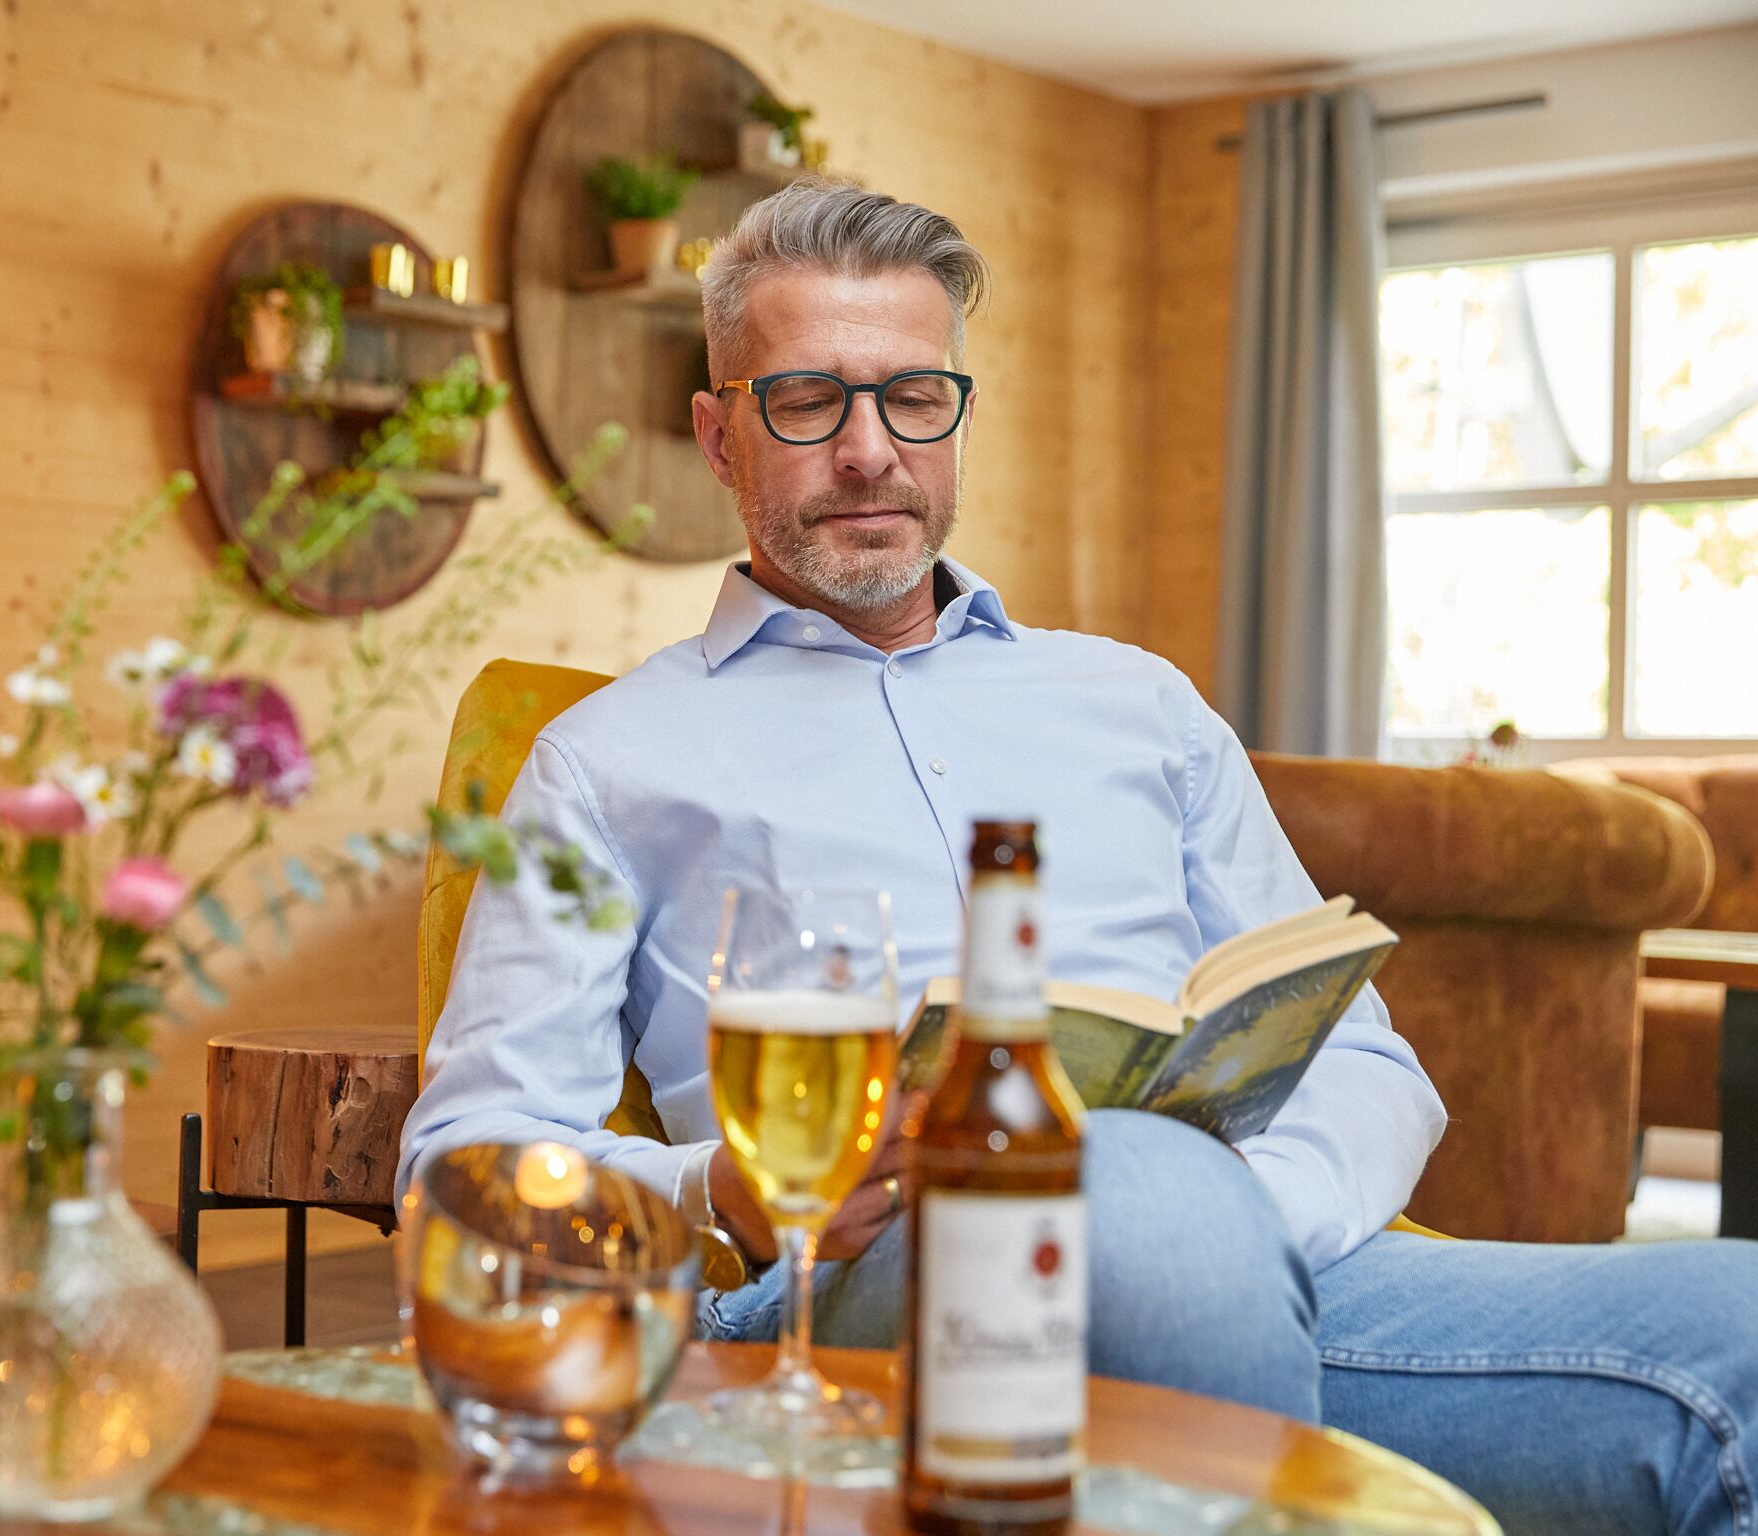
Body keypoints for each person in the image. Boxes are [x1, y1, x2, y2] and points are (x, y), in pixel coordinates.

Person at [400, 178, 1757, 1533]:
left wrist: (1237, 1229)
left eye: (914, 396)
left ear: (958, 416)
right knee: (1107, 1178)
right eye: (810, 400)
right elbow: (464, 1166)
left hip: (1269, 1267)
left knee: (1741, 1330)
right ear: (718, 435)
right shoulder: (607, 758)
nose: (871, 449)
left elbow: (1365, 1061)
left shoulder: (1141, 704)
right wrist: (716, 1192)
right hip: (857, 1296)